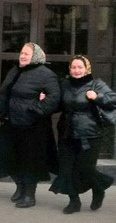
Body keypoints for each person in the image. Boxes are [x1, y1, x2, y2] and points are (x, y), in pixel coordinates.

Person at [0, 42, 60, 208]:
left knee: (30, 161)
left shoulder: (46, 74)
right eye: (22, 53)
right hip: (10, 122)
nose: (22, 56)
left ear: (35, 56)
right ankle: (20, 187)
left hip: (33, 127)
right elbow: (4, 94)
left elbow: (54, 99)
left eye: (27, 54)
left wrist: (34, 110)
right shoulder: (15, 71)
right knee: (6, 155)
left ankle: (29, 195)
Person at [49, 55, 115, 214]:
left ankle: (98, 189)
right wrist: (45, 99)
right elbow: (58, 105)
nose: (77, 70)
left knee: (85, 169)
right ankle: (74, 201)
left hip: (90, 134)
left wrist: (97, 96)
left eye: (80, 67)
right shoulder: (65, 85)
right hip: (67, 133)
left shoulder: (96, 84)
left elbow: (113, 99)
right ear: (70, 69)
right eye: (73, 67)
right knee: (66, 169)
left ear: (87, 68)